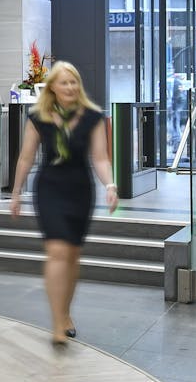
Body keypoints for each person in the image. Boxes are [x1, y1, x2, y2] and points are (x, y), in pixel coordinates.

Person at [9, 61, 119, 346]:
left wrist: (110, 185)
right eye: (64, 82)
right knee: (57, 251)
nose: (70, 87)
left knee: (72, 255)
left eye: (74, 82)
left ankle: (65, 313)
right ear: (53, 88)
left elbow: (100, 158)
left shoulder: (93, 117)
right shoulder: (39, 117)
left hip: (80, 190)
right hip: (49, 188)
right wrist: (16, 192)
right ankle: (58, 323)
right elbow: (26, 157)